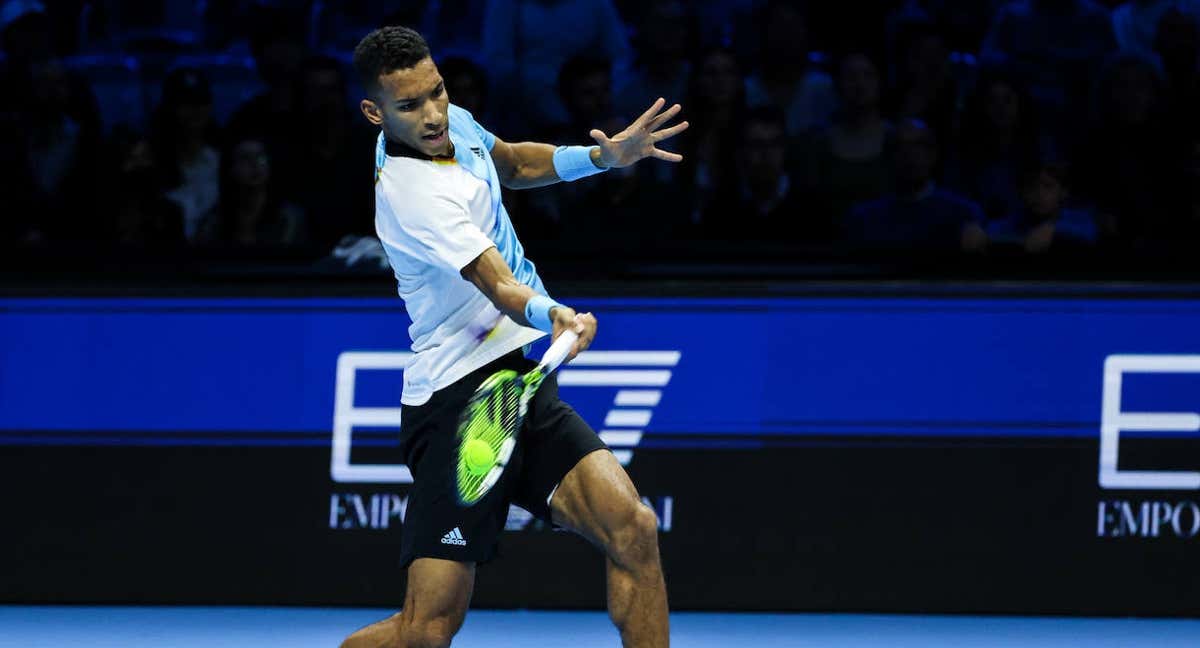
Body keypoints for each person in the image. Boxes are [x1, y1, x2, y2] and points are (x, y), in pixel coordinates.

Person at [340, 26, 687, 648]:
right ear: (375, 113)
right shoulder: (414, 193)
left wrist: (603, 158)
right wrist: (554, 312)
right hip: (455, 403)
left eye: (437, 91)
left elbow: (513, 162)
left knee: (632, 529)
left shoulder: (450, 124)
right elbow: (498, 284)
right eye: (411, 104)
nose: (434, 113)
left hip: (513, 383)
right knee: (427, 630)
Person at [844, 118, 986, 252]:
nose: (909, 154)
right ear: (888, 157)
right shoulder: (864, 219)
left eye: (918, 145)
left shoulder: (963, 215)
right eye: (900, 147)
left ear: (933, 154)